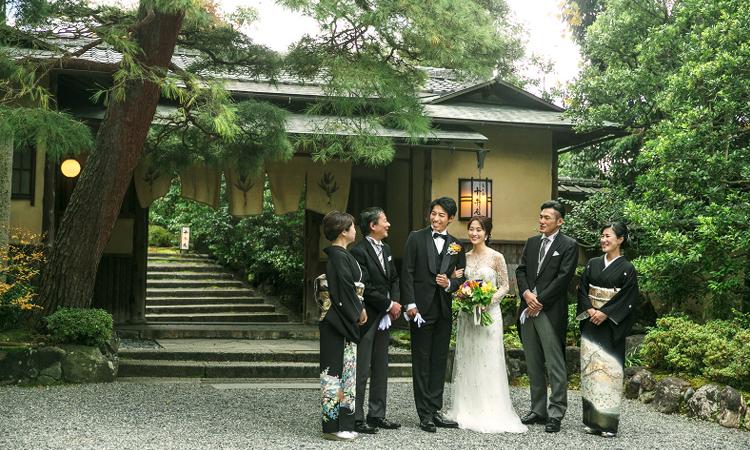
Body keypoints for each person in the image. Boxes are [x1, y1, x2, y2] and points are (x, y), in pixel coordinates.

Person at [446, 216, 527, 433]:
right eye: (471, 229)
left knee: (488, 359)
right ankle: (467, 407)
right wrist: (464, 295)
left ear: (487, 233)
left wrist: (486, 301)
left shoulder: (497, 257)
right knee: (469, 357)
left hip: (489, 314)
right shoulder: (464, 257)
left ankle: (491, 408)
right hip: (468, 316)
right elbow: (459, 284)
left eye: (479, 230)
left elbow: (504, 286)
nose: (474, 233)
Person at [401, 197, 466, 433]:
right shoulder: (415, 238)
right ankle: (424, 414)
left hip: (443, 310)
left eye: (441, 215)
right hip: (420, 309)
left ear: (450, 218)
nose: (436, 218)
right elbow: (406, 272)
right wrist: (410, 303)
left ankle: (435, 409)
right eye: (433, 214)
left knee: (439, 360)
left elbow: (462, 278)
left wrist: (449, 283)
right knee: (422, 361)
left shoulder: (457, 245)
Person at [516, 200, 578, 433]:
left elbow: (564, 279)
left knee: (554, 364)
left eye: (547, 218)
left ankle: (556, 412)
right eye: (541, 217)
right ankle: (538, 409)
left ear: (560, 221)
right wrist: (525, 294)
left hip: (550, 311)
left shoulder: (569, 245)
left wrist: (539, 300)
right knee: (533, 362)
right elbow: (521, 270)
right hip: (528, 309)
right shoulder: (532, 243)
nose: (542, 221)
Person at [576, 222, 639, 438]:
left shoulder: (628, 269)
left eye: (608, 236)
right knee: (590, 372)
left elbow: (628, 299)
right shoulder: (592, 263)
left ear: (620, 239)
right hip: (591, 322)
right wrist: (590, 309)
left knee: (609, 373)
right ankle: (592, 421)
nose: (603, 240)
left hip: (611, 326)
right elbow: (582, 289)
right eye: (602, 236)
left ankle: (608, 424)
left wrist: (606, 313)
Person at [350, 207, 403, 434]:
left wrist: (396, 303)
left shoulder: (388, 249)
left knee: (381, 366)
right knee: (362, 368)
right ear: (373, 226)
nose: (388, 224)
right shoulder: (358, 251)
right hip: (368, 316)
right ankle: (357, 417)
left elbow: (394, 278)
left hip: (385, 317)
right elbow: (366, 287)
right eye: (385, 221)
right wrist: (388, 304)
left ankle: (377, 414)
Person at [319, 211, 368, 441]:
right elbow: (345, 290)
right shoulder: (338, 257)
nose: (355, 230)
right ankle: (332, 427)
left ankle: (344, 422)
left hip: (342, 317)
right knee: (334, 373)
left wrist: (359, 307)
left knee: (346, 372)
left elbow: (350, 288)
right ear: (343, 231)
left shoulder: (343, 256)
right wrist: (357, 310)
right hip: (336, 320)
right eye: (352, 226)